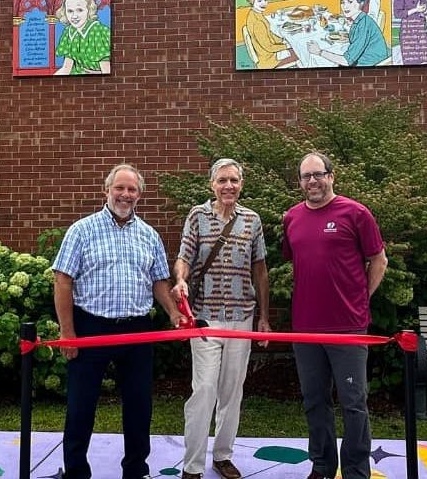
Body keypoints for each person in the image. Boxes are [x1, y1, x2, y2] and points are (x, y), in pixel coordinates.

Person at [53, 163, 186, 479]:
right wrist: (68, 332)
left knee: (140, 405)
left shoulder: (149, 235)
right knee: (81, 406)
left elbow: (158, 282)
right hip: (91, 328)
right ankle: (75, 471)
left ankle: (136, 470)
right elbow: (62, 281)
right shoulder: (81, 230)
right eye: (120, 188)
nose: (125, 195)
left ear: (140, 195)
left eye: (132, 189)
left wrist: (174, 314)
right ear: (107, 190)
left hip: (138, 330)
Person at [282, 152, 388, 479]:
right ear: (300, 182)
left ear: (331, 176)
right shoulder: (292, 218)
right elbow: (298, 262)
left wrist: (360, 300)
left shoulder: (356, 213)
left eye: (318, 174)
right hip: (305, 328)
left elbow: (379, 260)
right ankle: (323, 466)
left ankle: (356, 471)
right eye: (305, 176)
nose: (312, 181)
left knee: (354, 404)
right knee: (315, 401)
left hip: (348, 328)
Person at [172, 158, 272, 479]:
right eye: (222, 180)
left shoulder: (252, 220)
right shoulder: (197, 216)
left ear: (241, 185)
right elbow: (184, 257)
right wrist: (181, 279)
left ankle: (223, 455)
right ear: (212, 185)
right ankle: (192, 465)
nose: (228, 186)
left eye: (234, 180)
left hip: (242, 316)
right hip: (204, 318)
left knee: (232, 390)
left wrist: (264, 318)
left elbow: (260, 269)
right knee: (203, 389)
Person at [306, 0, 389, 67]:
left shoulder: (363, 25)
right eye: (342, 2)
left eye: (350, 1)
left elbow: (347, 61)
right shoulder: (358, 19)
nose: (345, 6)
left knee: (322, 62)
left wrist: (319, 52)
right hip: (363, 58)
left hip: (372, 64)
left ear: (361, 3)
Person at [54, 0, 111, 75]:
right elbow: (66, 68)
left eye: (79, 10)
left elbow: (106, 71)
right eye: (70, 11)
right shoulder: (69, 32)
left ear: (89, 10)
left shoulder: (98, 31)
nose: (74, 16)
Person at [243, 0, 298, 69]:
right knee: (300, 52)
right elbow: (269, 47)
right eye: (259, 0)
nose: (263, 3)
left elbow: (269, 33)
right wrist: (287, 46)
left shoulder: (254, 14)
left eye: (265, 0)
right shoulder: (258, 23)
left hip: (266, 54)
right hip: (269, 60)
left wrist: (282, 40)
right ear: (252, 1)